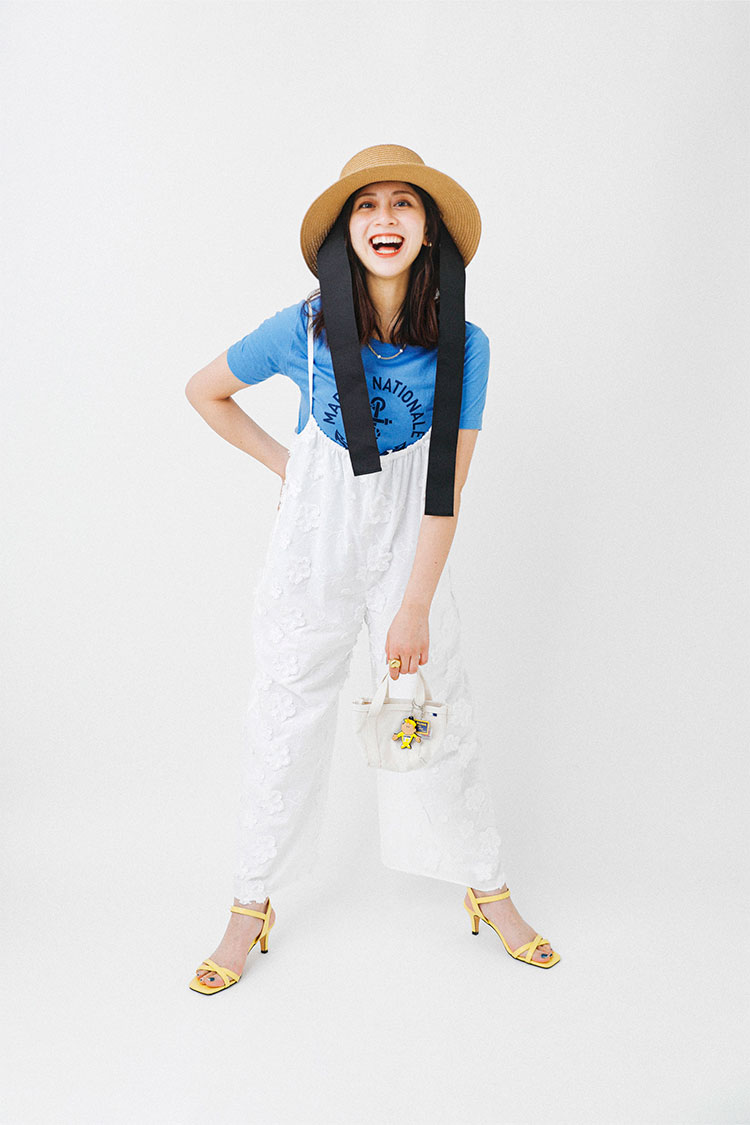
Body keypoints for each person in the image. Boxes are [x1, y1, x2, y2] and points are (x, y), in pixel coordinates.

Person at [185, 145, 560, 993]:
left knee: (435, 705)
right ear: (344, 232)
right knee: (284, 711)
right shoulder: (304, 328)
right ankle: (250, 902)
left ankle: (487, 885)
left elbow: (446, 486)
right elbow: (204, 390)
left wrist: (414, 604)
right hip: (312, 544)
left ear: (428, 232)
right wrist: (289, 470)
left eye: (403, 204)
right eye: (366, 205)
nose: (384, 218)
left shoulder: (464, 346)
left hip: (408, 541)